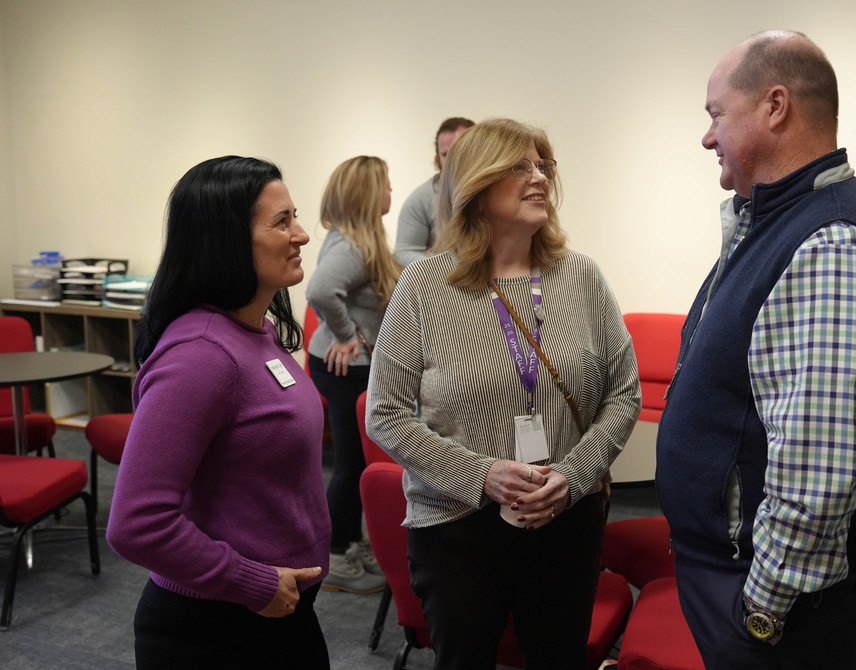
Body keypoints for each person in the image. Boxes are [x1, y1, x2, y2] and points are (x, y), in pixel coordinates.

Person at [655, 31, 856, 669]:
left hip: (777, 612)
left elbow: (819, 477)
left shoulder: (832, 246)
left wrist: (761, 613)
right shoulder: (776, 219)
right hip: (737, 581)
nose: (707, 136)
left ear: (775, 107)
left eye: (716, 114)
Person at [367, 118, 640, 669]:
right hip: (456, 528)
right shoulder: (422, 287)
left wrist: (574, 475)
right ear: (475, 184)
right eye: (520, 166)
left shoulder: (581, 277)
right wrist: (480, 474)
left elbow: (624, 393)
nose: (539, 177)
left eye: (543, 165)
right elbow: (386, 414)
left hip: (565, 518)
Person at [106, 156, 331, 668]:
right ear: (226, 241)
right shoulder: (201, 356)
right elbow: (135, 523)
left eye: (295, 216)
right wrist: (250, 582)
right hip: (216, 625)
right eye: (281, 222)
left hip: (279, 610)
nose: (301, 235)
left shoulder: (257, 333)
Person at [306, 156, 403, 594]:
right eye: (385, 185)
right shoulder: (351, 245)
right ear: (368, 194)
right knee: (351, 465)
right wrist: (348, 334)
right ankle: (332, 555)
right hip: (344, 365)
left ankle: (351, 540)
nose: (390, 192)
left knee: (358, 461)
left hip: (347, 364)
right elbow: (321, 290)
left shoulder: (356, 239)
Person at [394, 116, 474, 266]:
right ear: (438, 157)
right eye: (445, 154)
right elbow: (404, 252)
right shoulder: (421, 198)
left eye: (460, 151)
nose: (452, 160)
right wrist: (444, 269)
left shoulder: (499, 190)